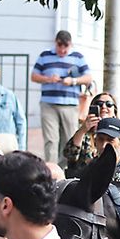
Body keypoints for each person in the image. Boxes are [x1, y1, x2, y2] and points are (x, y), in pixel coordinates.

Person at [33, 31, 90, 162]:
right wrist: (48, 79)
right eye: (60, 45)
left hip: (70, 104)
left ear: (71, 44)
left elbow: (88, 77)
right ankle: (52, 171)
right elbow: (34, 76)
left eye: (66, 46)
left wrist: (73, 81)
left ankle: (65, 170)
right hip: (48, 104)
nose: (63, 49)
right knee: (51, 139)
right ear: (55, 43)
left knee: (70, 138)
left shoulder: (78, 57)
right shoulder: (45, 55)